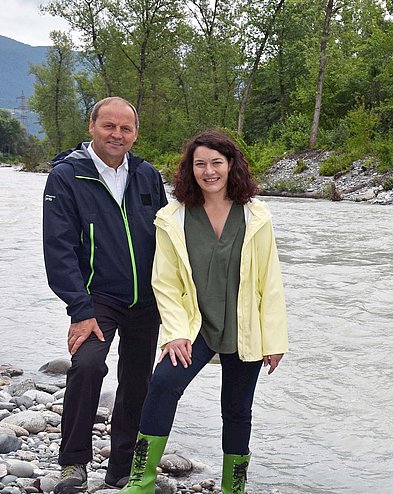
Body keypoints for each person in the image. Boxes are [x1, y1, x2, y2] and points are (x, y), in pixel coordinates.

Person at [118, 130, 288, 494]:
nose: (208, 171)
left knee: (238, 410)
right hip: (194, 326)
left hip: (244, 327)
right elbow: (164, 282)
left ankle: (234, 488)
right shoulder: (173, 217)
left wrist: (275, 339)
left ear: (231, 165)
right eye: (200, 164)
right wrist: (176, 332)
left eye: (216, 163)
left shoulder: (256, 215)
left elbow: (269, 283)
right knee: (162, 385)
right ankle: (140, 482)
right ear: (189, 169)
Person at [42, 97, 169, 493]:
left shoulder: (147, 175)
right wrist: (79, 309)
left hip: (146, 300)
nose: (117, 135)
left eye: (125, 128)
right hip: (96, 297)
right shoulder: (67, 176)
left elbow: (168, 238)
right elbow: (58, 247)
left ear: (135, 133)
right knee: (88, 365)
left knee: (137, 381)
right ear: (92, 126)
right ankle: (73, 463)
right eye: (108, 126)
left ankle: (121, 467)